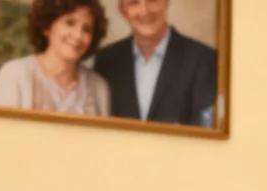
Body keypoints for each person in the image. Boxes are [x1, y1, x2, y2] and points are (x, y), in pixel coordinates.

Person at [93, 0, 219, 128]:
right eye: (133, 3)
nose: (145, 11)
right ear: (123, 11)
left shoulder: (204, 60)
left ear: (166, 2)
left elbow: (206, 132)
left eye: (152, 0)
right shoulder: (107, 61)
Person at [0, 0, 111, 118]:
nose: (78, 35)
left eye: (86, 29)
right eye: (70, 23)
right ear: (47, 27)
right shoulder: (14, 75)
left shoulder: (98, 88)